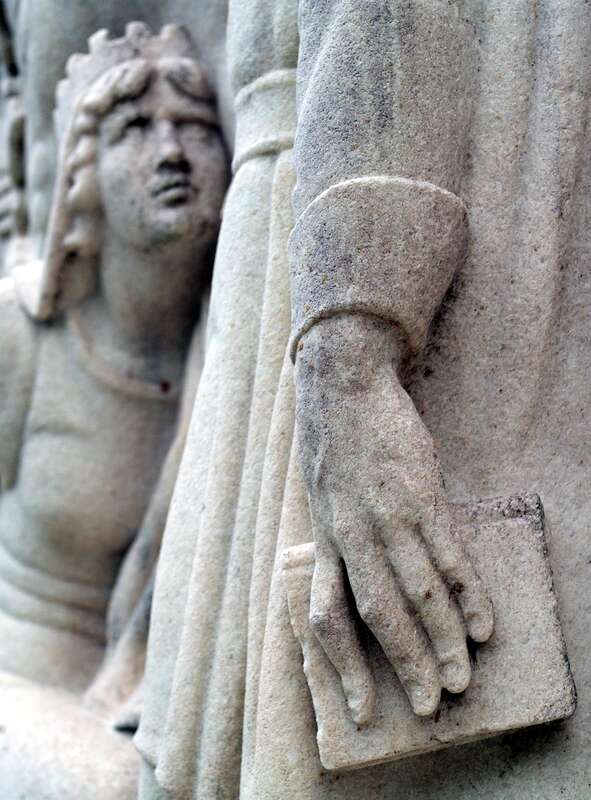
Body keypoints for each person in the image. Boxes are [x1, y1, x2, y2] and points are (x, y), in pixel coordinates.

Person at [0, 23, 228, 798]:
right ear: (82, 173)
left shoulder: (228, 353)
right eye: (135, 130)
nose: (172, 154)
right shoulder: (23, 336)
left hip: (135, 700)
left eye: (196, 129)